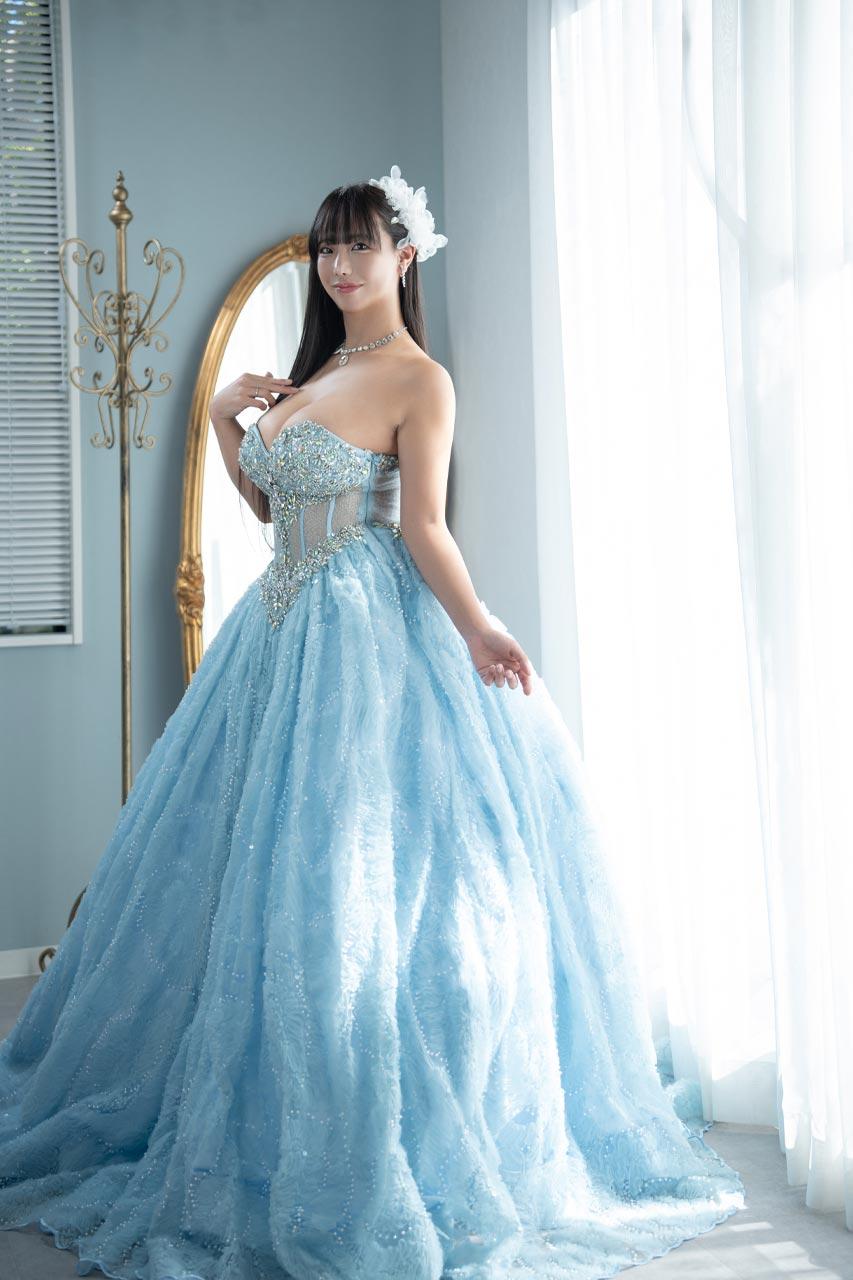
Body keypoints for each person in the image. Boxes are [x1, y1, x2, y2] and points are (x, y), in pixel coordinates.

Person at [0, 163, 745, 1280]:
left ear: (404, 257)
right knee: (242, 870)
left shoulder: (418, 380)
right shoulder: (322, 369)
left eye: (358, 245)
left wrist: (479, 629)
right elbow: (272, 506)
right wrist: (223, 415)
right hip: (277, 625)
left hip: (361, 635)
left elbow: (424, 527)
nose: (338, 265)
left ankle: (364, 1118)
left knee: (349, 880)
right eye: (326, 247)